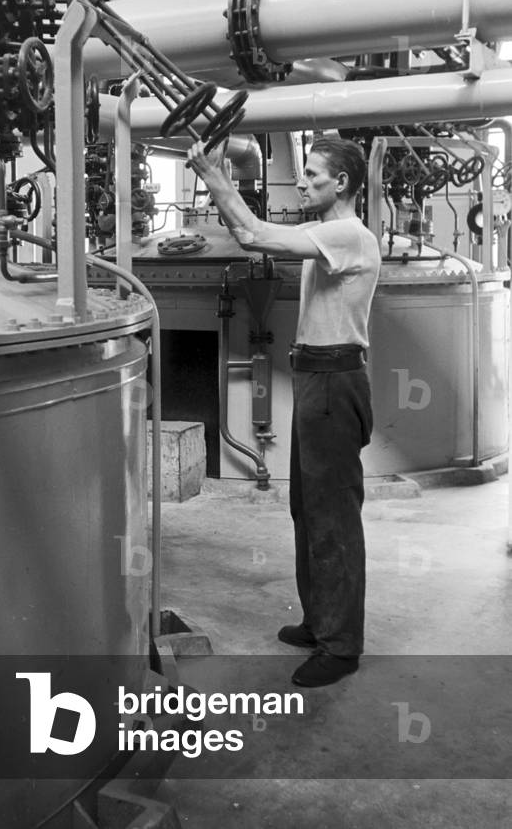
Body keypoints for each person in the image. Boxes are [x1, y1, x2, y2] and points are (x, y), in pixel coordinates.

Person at [186, 133, 381, 688]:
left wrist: (214, 174)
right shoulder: (328, 233)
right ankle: (322, 621)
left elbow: (251, 235)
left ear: (340, 183)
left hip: (334, 381)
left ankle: (341, 647)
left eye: (314, 174)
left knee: (332, 515)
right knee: (307, 506)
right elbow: (252, 233)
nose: (302, 180)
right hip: (316, 374)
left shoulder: (348, 233)